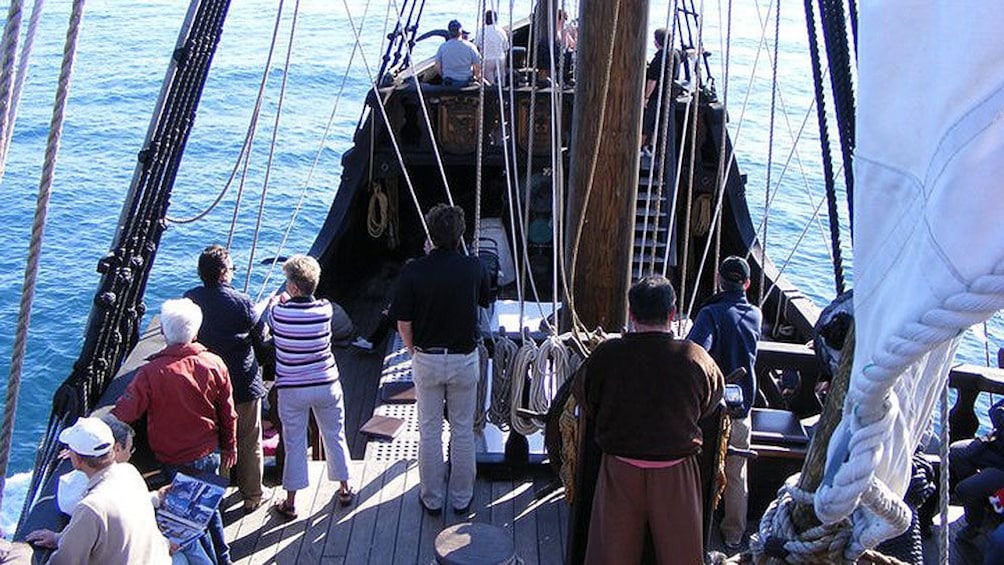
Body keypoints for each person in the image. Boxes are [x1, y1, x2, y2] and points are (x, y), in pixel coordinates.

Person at [582, 275, 724, 563]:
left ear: (631, 314)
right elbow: (711, 401)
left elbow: (587, 398)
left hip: (620, 469)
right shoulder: (696, 358)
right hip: (675, 473)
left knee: (610, 556)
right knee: (682, 557)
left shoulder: (606, 355)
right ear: (672, 314)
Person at [112, 298, 237, 565]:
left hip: (174, 458)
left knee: (186, 524)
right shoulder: (214, 364)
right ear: (195, 332)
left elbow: (125, 412)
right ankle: (224, 559)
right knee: (208, 511)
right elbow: (228, 412)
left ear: (165, 333)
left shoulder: (151, 373)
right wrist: (230, 446)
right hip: (207, 452)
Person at [390, 204, 491, 515]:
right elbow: (484, 302)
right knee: (462, 429)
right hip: (463, 359)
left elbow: (402, 321)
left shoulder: (412, 271)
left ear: (429, 235)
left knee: (429, 429)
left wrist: (411, 350)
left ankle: (432, 497)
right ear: (459, 235)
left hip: (427, 359)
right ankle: (462, 498)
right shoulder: (474, 268)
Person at [267, 254, 354, 519]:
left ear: (293, 288)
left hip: (292, 389)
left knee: (294, 442)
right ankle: (345, 487)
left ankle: (291, 502)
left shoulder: (278, 314)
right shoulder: (325, 310)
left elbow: (270, 319)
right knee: (335, 434)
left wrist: (277, 301)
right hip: (326, 383)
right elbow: (320, 304)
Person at [184, 244, 268, 513]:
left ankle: (215, 495)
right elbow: (262, 344)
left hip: (205, 384)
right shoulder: (242, 302)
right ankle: (252, 494)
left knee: (214, 442)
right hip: (241, 384)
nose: (232, 272)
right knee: (248, 439)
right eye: (231, 268)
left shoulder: (190, 299)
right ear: (222, 274)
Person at [687, 255, 762, 551]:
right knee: (736, 472)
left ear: (719, 279)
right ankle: (733, 534)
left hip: (711, 409)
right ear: (746, 283)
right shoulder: (756, 314)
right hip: (742, 406)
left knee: (699, 468)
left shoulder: (711, 314)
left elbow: (695, 351)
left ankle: (694, 529)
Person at [25, 417, 173, 565]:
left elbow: (65, 561)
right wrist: (60, 539)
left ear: (77, 460)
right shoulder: (129, 472)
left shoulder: (91, 507)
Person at [951, 397, 1004, 540]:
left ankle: (974, 524)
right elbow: (993, 411)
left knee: (965, 489)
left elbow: (999, 416)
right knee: (957, 452)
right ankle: (980, 506)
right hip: (995, 446)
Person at [642, 28, 681, 153]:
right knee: (658, 124)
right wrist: (698, 52)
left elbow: (652, 81)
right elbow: (687, 54)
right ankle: (651, 148)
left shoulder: (658, 59)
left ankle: (640, 148)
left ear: (657, 42)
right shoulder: (675, 54)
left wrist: (646, 98)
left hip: (656, 97)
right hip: (669, 96)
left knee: (647, 124)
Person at [435, 19, 481, 86]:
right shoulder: (471, 47)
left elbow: (437, 67)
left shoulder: (442, 47)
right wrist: (476, 77)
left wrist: (443, 76)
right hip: (466, 82)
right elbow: (478, 66)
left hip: (449, 83)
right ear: (461, 32)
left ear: (449, 32)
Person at [475, 10, 508, 84]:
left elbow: (476, 46)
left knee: (489, 83)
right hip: (500, 59)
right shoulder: (501, 31)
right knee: (500, 81)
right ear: (495, 19)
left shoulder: (481, 31)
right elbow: (506, 47)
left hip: (487, 60)